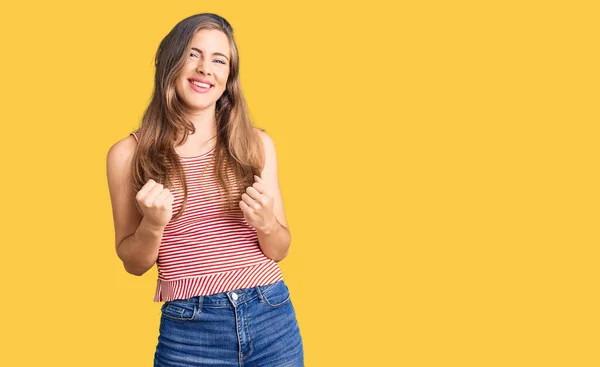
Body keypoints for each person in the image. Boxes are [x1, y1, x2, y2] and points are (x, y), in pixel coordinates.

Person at [106, 13, 304, 366]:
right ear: (171, 61)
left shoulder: (255, 144)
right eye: (193, 54)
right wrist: (152, 225)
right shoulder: (128, 155)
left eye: (219, 60)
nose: (205, 69)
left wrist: (266, 223)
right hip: (190, 332)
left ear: (228, 77)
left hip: (271, 316)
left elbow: (280, 248)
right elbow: (134, 265)